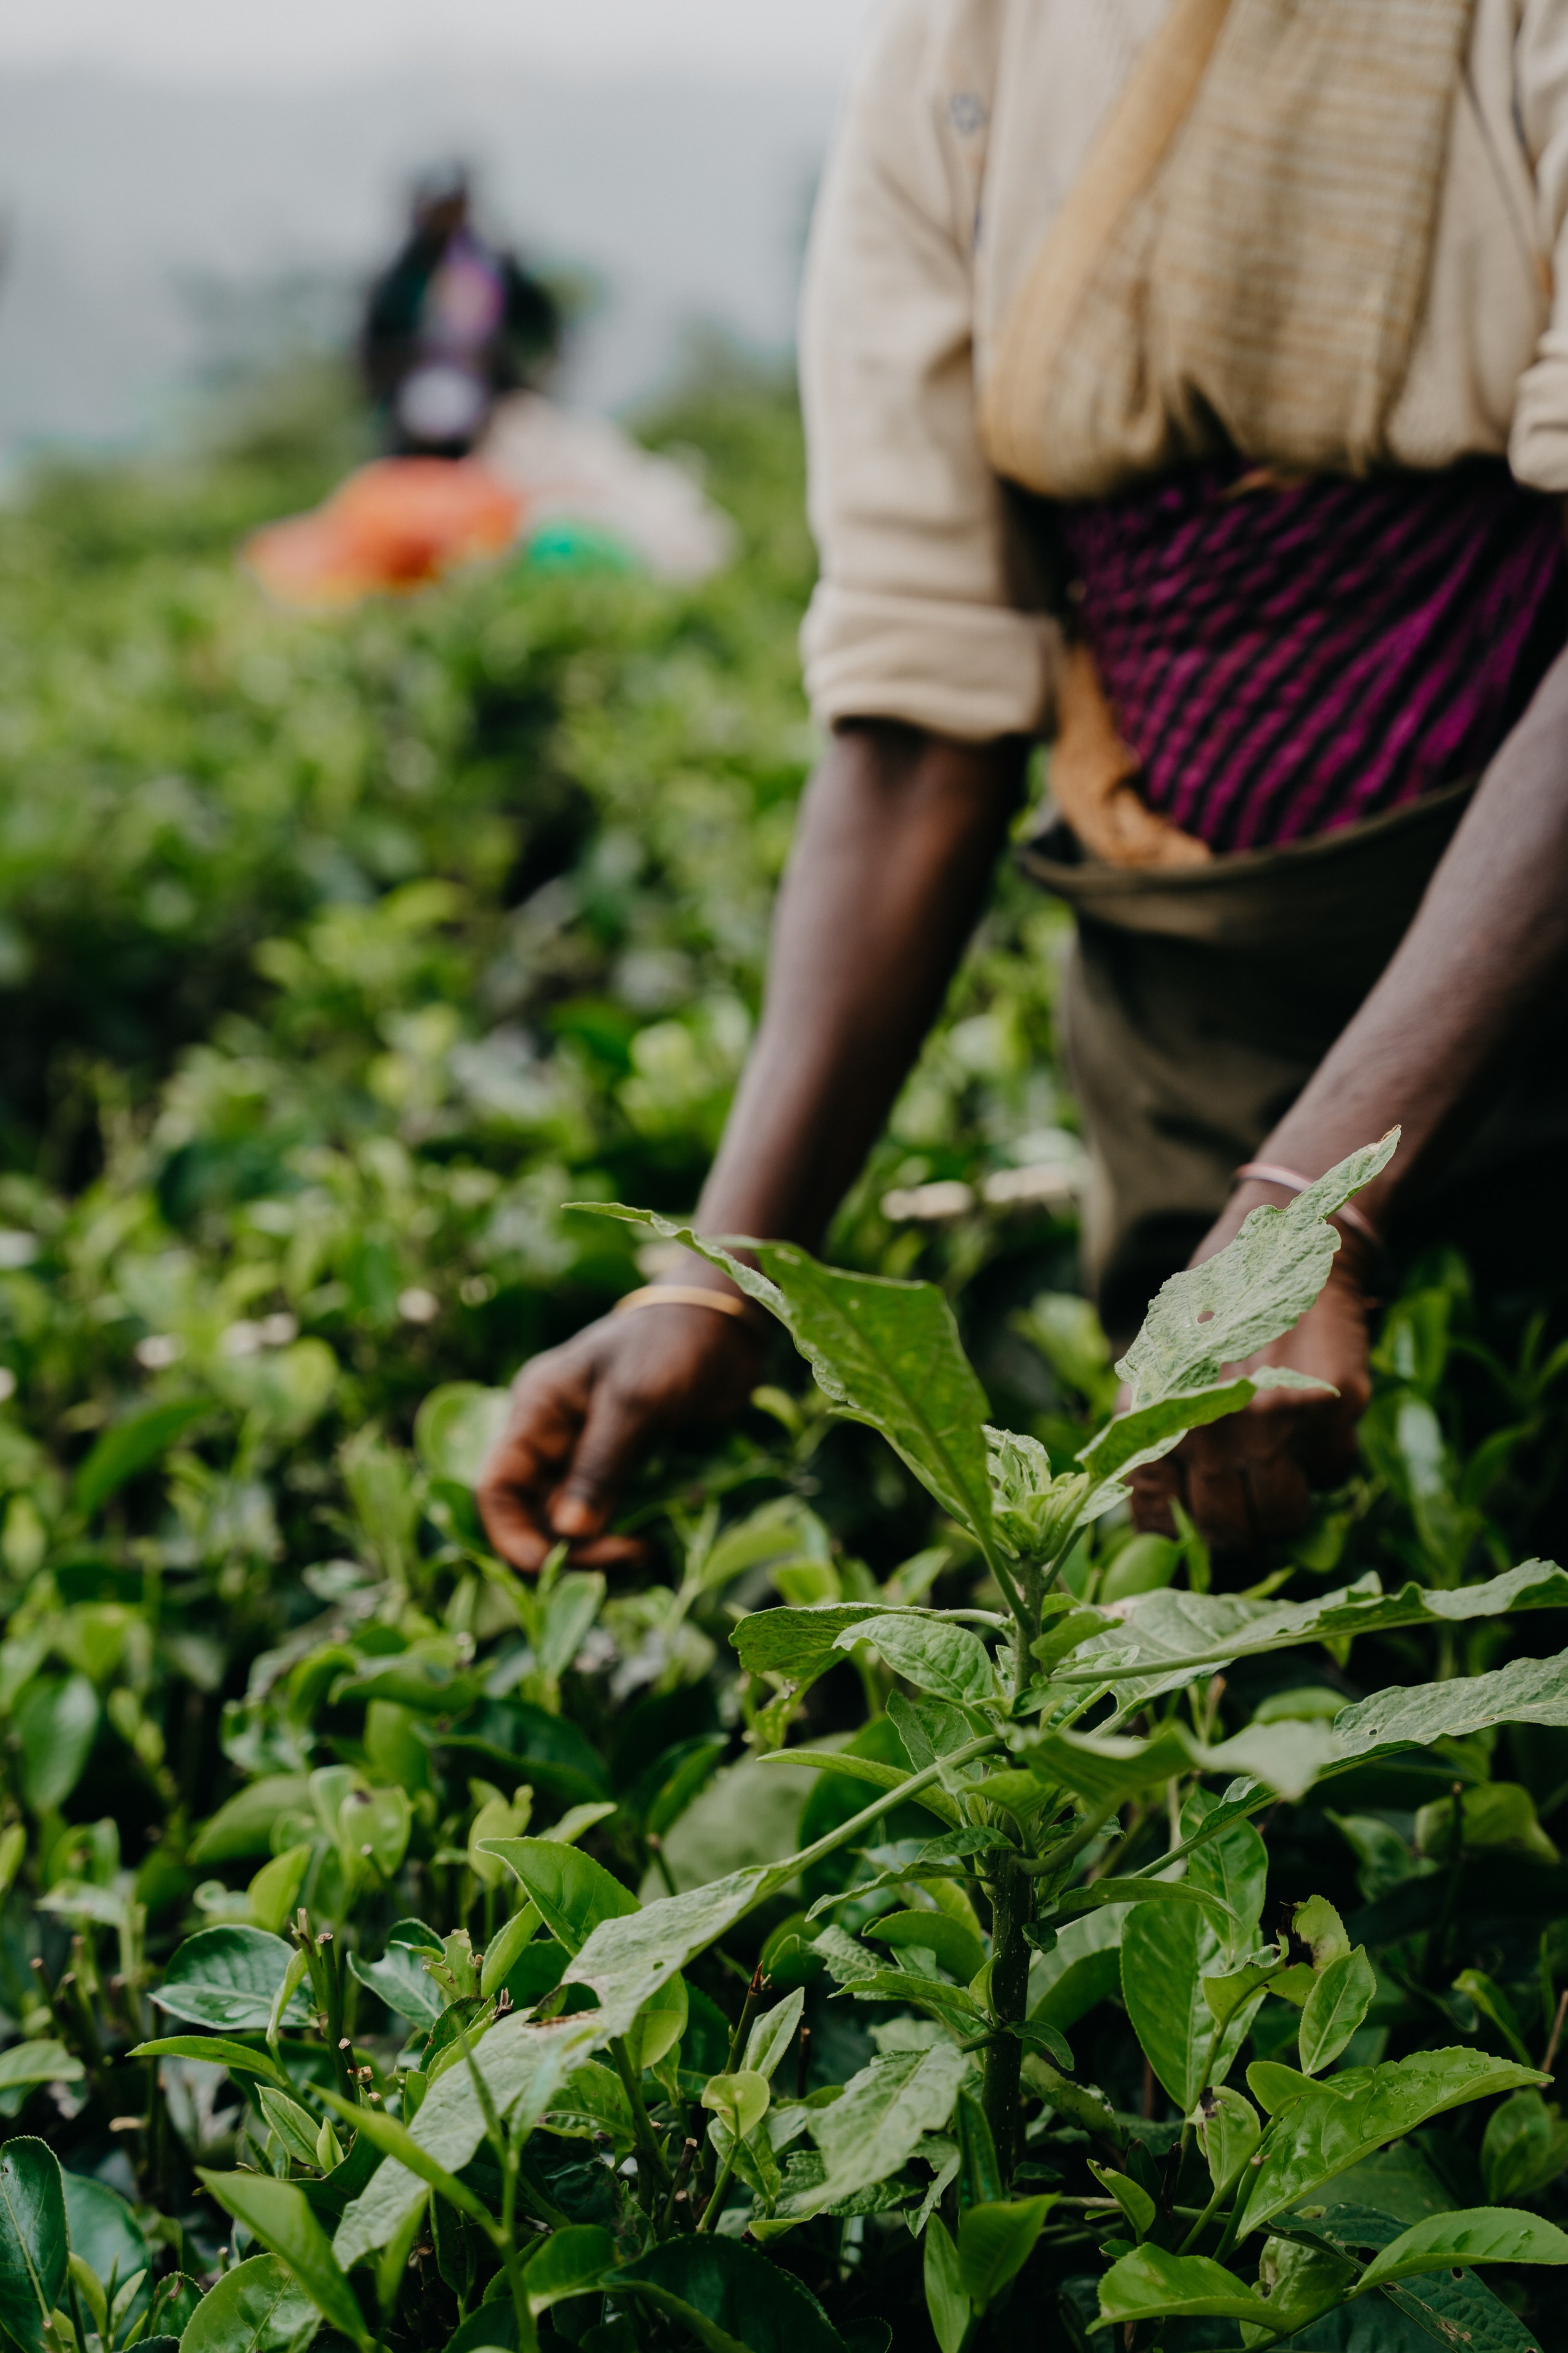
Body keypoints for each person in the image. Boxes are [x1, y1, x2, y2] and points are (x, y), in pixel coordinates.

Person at [476, 0, 1568, 1573]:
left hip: (1518, 960)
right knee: (1234, 1630)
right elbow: (918, 704)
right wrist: (717, 1280)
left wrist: (1303, 1213)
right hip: (1192, 1018)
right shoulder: (963, 49)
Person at [360, 163, 559, 459]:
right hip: (412, 417)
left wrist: (531, 377)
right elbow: (372, 348)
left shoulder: (495, 266)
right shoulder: (399, 277)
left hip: (487, 410)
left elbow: (542, 324)